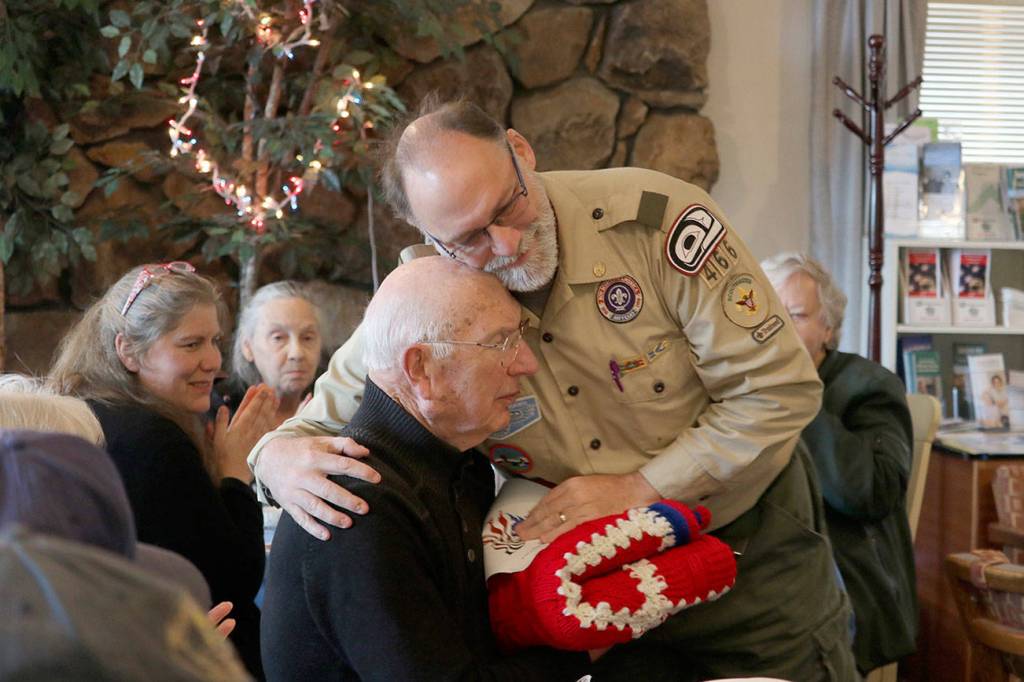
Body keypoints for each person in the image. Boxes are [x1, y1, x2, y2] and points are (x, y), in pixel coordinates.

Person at [250, 98, 855, 680]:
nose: (506, 245)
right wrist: (274, 459)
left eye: (508, 206)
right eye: (470, 238)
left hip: (743, 549)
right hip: (593, 591)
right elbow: (327, 418)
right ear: (430, 237)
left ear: (520, 151)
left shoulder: (656, 222)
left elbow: (779, 389)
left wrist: (641, 488)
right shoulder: (441, 291)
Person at [260, 256, 592, 681]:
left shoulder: (460, 465)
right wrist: (589, 644)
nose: (527, 363)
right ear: (420, 368)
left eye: (520, 334)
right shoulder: (357, 502)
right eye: (501, 342)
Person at [49, 262, 275, 678]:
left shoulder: (95, 411)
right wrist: (233, 473)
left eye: (215, 341)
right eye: (190, 344)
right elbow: (233, 582)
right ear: (128, 351)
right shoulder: (153, 440)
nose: (212, 361)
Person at [762, 252, 918, 675]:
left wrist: (795, 394)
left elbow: (869, 492)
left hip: (848, 587)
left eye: (796, 315)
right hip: (771, 574)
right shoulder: (748, 388)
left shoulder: (869, 385)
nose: (777, 327)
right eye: (768, 313)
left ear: (828, 329)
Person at [225, 281, 323, 429]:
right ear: (248, 347)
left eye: (307, 338)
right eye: (278, 338)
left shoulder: (334, 411)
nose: (296, 353)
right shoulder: (223, 413)